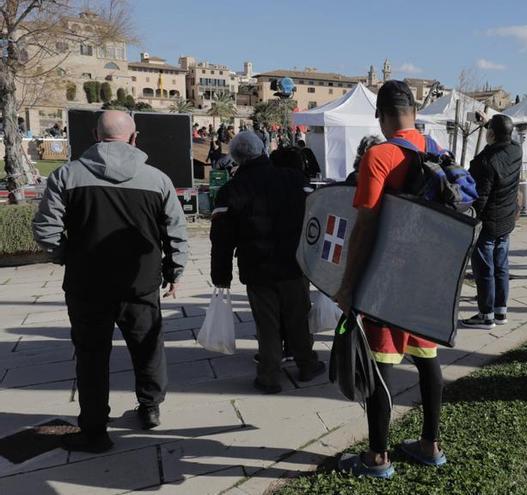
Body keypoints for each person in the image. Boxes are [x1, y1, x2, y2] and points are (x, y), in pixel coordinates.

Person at [32, 110, 189, 453]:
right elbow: (176, 233)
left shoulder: (66, 176)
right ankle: (150, 408)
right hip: (141, 282)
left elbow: (45, 229)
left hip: (87, 284)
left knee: (90, 356)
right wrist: (174, 271)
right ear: (135, 138)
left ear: (94, 135)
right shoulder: (158, 180)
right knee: (147, 348)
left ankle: (94, 430)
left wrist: (66, 256)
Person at [334, 80, 446, 479]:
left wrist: (348, 286)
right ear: (414, 113)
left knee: (380, 363)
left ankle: (378, 458)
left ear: (380, 116)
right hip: (429, 277)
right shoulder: (437, 151)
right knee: (427, 359)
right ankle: (430, 445)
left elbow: (364, 226)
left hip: (388, 277)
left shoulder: (379, 154)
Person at [210, 132, 325, 394]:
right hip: (294, 264)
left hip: (257, 267)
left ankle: (270, 376)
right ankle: (306, 365)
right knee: (298, 317)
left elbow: (221, 238)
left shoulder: (231, 190)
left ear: (236, 158)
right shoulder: (294, 179)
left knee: (267, 323)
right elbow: (316, 217)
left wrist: (221, 275)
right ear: (263, 150)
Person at [460, 114, 522, 328]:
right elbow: (505, 137)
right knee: (501, 267)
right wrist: (488, 123)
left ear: (492, 135)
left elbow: (480, 197)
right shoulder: (516, 150)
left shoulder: (486, 162)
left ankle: (486, 314)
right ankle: (500, 311)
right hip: (506, 219)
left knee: (484, 269)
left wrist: (469, 220)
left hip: (488, 222)